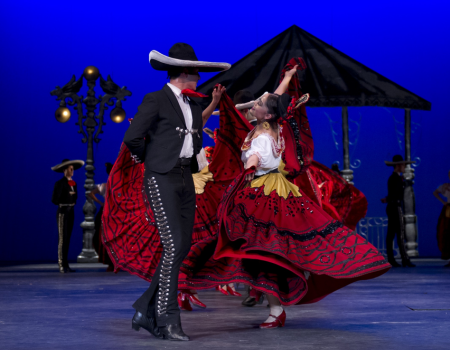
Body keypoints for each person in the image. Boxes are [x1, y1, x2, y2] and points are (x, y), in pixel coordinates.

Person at [181, 58, 390, 328]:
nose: (253, 105)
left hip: (262, 193)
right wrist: (288, 77)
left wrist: (251, 165)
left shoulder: (262, 136)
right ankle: (270, 305)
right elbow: (276, 98)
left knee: (258, 251)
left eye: (257, 105)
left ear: (266, 115)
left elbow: (258, 155)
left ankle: (268, 304)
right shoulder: (270, 124)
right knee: (259, 252)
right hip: (269, 191)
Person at [122, 43, 230, 341]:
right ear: (185, 71)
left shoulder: (194, 104)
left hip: (185, 177)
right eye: (197, 71)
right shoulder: (155, 99)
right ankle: (168, 319)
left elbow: (194, 131)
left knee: (181, 247)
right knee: (175, 245)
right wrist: (152, 159)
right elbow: (133, 137)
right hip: (161, 178)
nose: (199, 76)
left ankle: (146, 309)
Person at [381, 155, 416, 267]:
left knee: (392, 234)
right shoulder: (395, 178)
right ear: (398, 165)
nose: (404, 167)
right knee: (399, 233)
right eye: (403, 165)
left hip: (393, 206)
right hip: (395, 207)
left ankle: (393, 259)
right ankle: (404, 259)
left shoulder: (395, 178)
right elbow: (394, 193)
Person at [51, 159, 84, 273]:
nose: (72, 171)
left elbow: (76, 197)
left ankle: (66, 264)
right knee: (62, 238)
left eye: (73, 169)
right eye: (70, 169)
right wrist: (66, 199)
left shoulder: (73, 184)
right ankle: (61, 264)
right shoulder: (60, 183)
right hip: (63, 211)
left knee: (68, 238)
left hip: (71, 211)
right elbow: (54, 200)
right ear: (65, 170)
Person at [89, 162, 115, 271]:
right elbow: (91, 193)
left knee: (109, 237)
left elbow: (91, 193)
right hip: (108, 212)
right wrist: (100, 203)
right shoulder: (106, 185)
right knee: (106, 236)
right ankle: (111, 262)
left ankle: (114, 262)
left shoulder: (110, 185)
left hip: (113, 212)